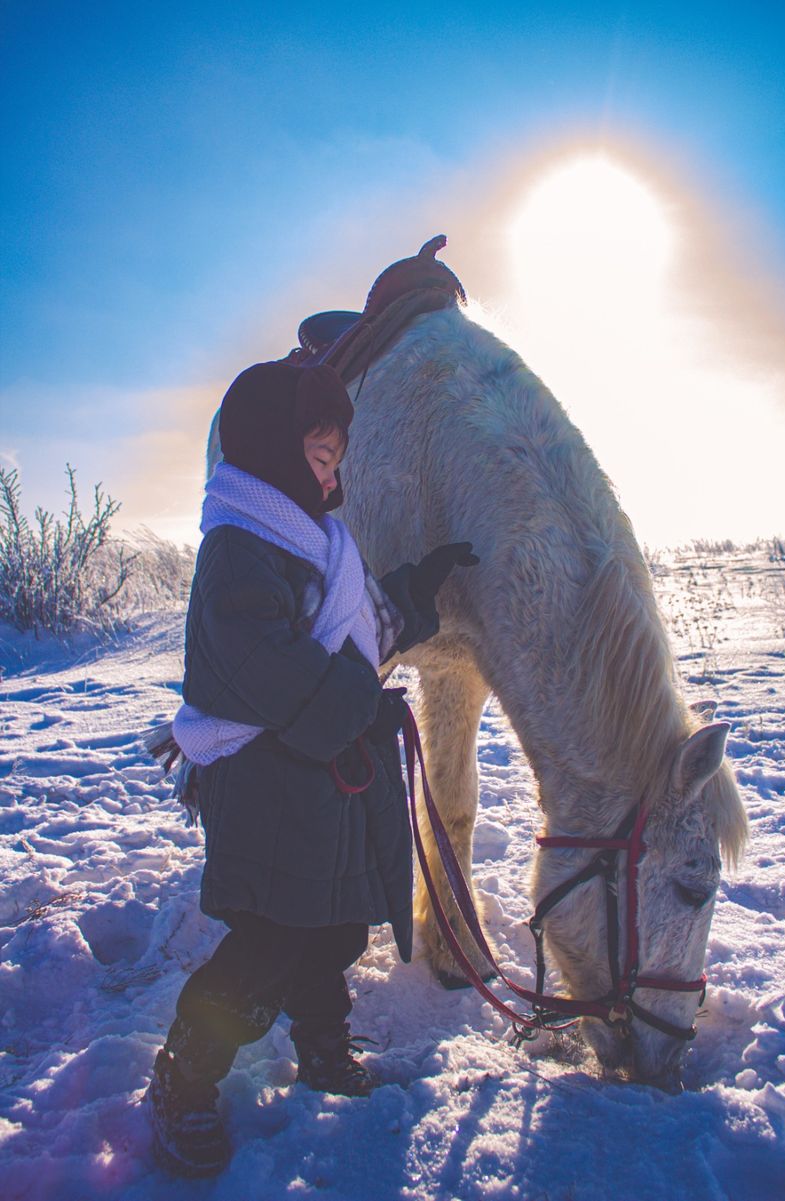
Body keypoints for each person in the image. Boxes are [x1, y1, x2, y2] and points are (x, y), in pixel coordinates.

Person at [145, 360, 478, 1177]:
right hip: (264, 783)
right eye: (319, 455)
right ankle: (185, 1073)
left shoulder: (317, 539)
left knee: (331, 928)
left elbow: (351, 624)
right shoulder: (238, 549)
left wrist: (412, 586)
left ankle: (324, 1047)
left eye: (337, 457)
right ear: (271, 449)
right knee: (268, 943)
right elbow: (272, 663)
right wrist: (357, 697)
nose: (332, 472)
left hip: (319, 782)